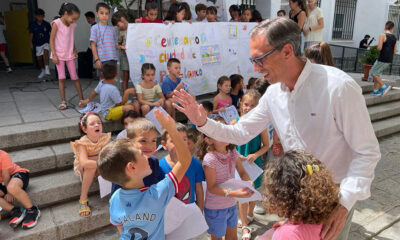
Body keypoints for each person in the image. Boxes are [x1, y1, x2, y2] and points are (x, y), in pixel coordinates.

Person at [173, 17, 380, 240]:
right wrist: (202, 121)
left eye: (259, 59)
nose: (254, 68)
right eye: (252, 60)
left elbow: (366, 153)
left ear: (287, 51)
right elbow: (240, 133)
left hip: (333, 197)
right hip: (296, 194)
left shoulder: (338, 87)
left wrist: (343, 204)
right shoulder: (273, 94)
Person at [98, 110, 192, 239]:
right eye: (141, 154)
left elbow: (119, 225)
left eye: (154, 140)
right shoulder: (157, 194)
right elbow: (185, 160)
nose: (150, 150)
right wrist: (172, 130)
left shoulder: (115, 198)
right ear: (131, 166)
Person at [258, 150, 339, 240]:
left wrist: (286, 232)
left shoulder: (287, 235)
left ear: (282, 196)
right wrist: (287, 225)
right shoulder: (321, 220)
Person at [197, 116, 253, 240]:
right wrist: (235, 193)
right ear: (209, 140)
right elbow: (211, 188)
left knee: (233, 237)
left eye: (225, 130)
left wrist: (248, 182)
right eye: (219, 133)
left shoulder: (233, 152)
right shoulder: (210, 159)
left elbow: (242, 172)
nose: (224, 134)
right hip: (215, 208)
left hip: (231, 205)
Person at [233, 90, 270, 240]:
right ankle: (245, 224)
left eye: (253, 105)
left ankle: (249, 214)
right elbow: (228, 144)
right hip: (240, 165)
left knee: (253, 190)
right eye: (246, 104)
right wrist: (236, 155)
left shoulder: (261, 125)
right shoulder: (235, 122)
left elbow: (266, 145)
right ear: (241, 104)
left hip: (254, 165)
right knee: (243, 193)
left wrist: (255, 155)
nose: (248, 108)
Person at [70, 112, 111, 217]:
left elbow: (108, 154)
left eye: (99, 123)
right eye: (92, 124)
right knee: (90, 167)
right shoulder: (82, 143)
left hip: (97, 162)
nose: (97, 125)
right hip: (83, 167)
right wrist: (102, 163)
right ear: (84, 129)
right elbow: (84, 162)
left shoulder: (104, 138)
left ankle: (117, 192)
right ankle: (83, 198)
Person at [110, 118, 164, 195]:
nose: (149, 145)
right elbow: (116, 198)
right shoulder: (121, 167)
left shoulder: (154, 161)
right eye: (143, 141)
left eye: (154, 140)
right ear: (129, 142)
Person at [159, 123, 205, 210]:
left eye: (183, 139)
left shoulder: (195, 164)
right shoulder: (159, 167)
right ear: (164, 144)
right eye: (174, 141)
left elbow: (199, 190)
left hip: (188, 213)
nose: (179, 144)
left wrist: (200, 211)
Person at [50, 2, 84, 110]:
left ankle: (82, 99)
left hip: (69, 54)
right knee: (62, 78)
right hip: (59, 55)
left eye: (75, 20)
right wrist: (54, 55)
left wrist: (74, 49)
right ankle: (63, 101)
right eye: (72, 18)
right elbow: (51, 40)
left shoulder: (72, 25)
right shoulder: (56, 23)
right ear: (65, 13)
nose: (73, 21)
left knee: (75, 77)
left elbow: (71, 38)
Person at [0, 150, 40, 229]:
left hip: (17, 175)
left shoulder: (3, 155)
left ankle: (32, 210)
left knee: (11, 187)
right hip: (3, 183)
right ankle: (15, 211)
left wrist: (9, 193)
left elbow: (6, 176)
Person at [90, 2, 118, 76]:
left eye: (106, 13)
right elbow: (93, 45)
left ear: (109, 15)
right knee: (102, 79)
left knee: (112, 79)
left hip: (113, 59)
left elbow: (116, 45)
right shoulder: (94, 28)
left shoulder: (112, 29)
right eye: (102, 13)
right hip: (102, 60)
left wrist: (122, 46)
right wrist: (96, 59)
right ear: (97, 14)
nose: (104, 16)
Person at [370, 21, 396, 96]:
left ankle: (384, 86)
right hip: (389, 59)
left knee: (373, 73)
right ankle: (375, 90)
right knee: (377, 73)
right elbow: (394, 51)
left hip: (382, 57)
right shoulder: (394, 37)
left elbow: (379, 48)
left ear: (385, 27)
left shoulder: (382, 35)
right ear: (392, 28)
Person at [112, 11, 136, 92]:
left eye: (118, 25)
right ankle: (125, 96)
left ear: (122, 20)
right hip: (124, 56)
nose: (118, 27)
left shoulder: (133, 27)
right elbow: (117, 45)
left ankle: (137, 95)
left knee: (136, 75)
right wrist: (122, 47)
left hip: (134, 56)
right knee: (125, 76)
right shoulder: (120, 32)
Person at [29, 8, 51, 79]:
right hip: (38, 43)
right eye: (38, 16)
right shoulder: (33, 25)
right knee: (39, 59)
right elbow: (31, 35)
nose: (40, 18)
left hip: (46, 41)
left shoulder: (47, 24)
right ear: (35, 16)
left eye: (41, 16)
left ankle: (47, 67)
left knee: (46, 52)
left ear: (43, 16)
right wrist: (30, 43)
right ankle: (43, 70)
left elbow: (52, 33)